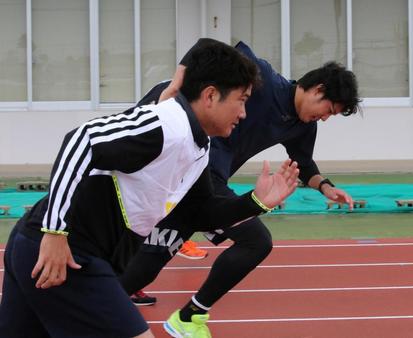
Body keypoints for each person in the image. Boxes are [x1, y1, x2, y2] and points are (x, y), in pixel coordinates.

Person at [0, 40, 300, 338]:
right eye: (242, 99)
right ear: (210, 96)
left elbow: (201, 212)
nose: (244, 113)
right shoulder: (168, 124)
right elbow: (82, 141)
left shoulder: (197, 146)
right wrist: (55, 233)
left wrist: (257, 202)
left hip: (39, 246)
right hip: (65, 252)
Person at [119, 38, 361, 338]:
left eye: (331, 116)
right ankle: (84, 306)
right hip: (188, 172)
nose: (325, 117)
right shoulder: (264, 79)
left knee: (151, 266)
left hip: (207, 187)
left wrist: (325, 187)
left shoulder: (303, 126)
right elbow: (206, 46)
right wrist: (177, 82)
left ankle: (187, 315)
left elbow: (304, 163)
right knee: (142, 271)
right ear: (318, 88)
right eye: (328, 109)